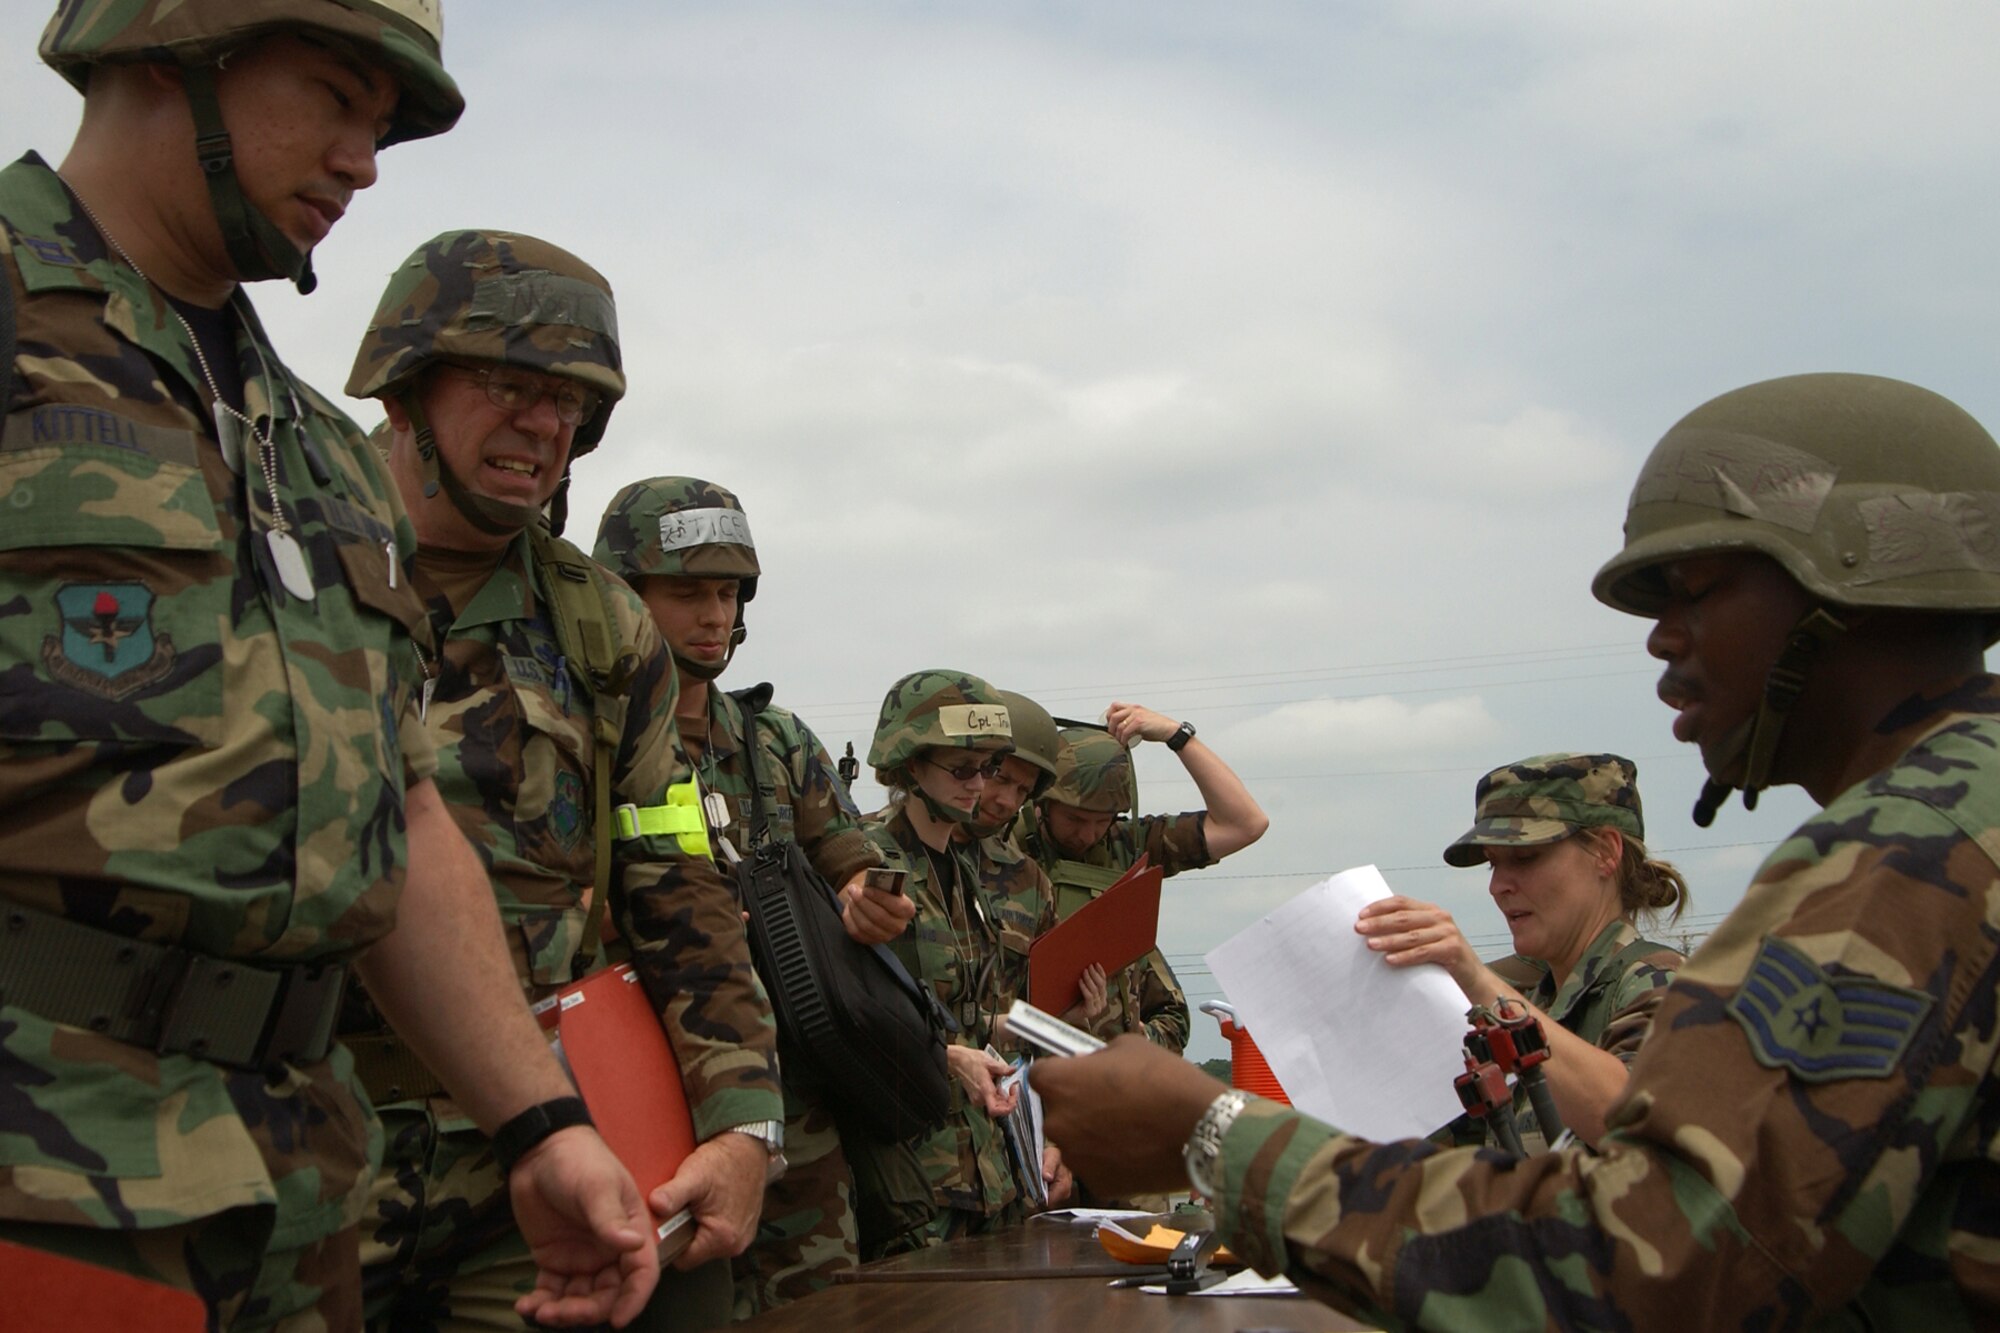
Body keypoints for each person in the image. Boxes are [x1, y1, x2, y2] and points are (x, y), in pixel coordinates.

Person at [1034, 372, 2000, 1327]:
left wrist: (1211, 1136)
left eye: (1697, 589)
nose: (1662, 638)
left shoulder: (1913, 854)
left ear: (1853, 585)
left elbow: (1648, 1266)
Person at [0, 8, 657, 1329]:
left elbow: (399, 822)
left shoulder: (319, 455)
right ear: (165, 46)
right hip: (42, 1192)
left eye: (383, 128)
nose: (364, 159)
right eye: (335, 99)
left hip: (297, 1199)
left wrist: (539, 1120)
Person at [343, 239, 785, 1329]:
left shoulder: (600, 629)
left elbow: (675, 876)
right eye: (509, 386)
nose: (544, 427)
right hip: (303, 1147)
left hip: (540, 1166)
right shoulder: (276, 541)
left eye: (572, 404)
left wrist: (742, 1117)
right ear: (406, 389)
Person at [593, 475, 910, 1316]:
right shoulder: (581, 738)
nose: (712, 615)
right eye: (686, 590)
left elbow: (853, 858)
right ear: (623, 595)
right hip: (635, 1099)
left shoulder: (774, 743)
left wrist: (869, 897)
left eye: (728, 592)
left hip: (789, 1108)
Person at [1357, 753, 1686, 1148]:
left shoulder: (1662, 984)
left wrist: (1475, 979)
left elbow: (1633, 1121)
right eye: (1493, 865)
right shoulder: (1532, 998)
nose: (1499, 886)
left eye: (1525, 858)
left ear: (1605, 852)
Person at [853, 672, 1062, 1253]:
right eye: (961, 769)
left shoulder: (966, 873)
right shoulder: (865, 862)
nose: (980, 786)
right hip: (908, 1177)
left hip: (986, 1175)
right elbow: (844, 1018)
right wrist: (945, 1056)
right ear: (910, 766)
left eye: (989, 768)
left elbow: (968, 1011)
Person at [1012, 707, 1270, 1052]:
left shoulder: (1128, 843)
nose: (1087, 834)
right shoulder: (1002, 844)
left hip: (1109, 1070)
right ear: (1042, 803)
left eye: (1101, 820)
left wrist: (1176, 736)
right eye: (1074, 818)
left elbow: (1245, 824)